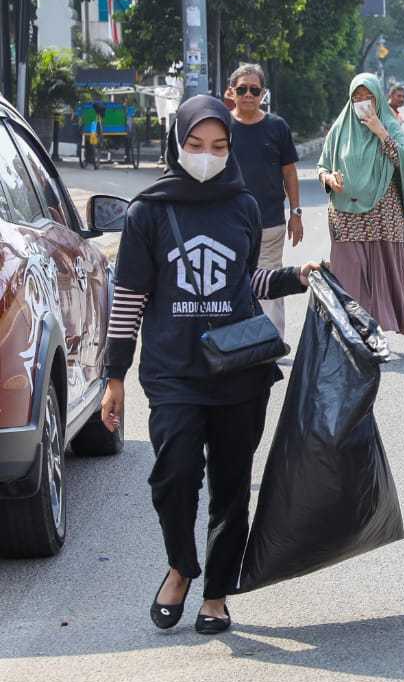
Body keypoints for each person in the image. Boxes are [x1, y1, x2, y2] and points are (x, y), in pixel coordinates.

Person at [99, 96, 321, 635]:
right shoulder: (147, 212)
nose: (207, 155)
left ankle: (217, 592)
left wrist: (296, 276)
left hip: (238, 370)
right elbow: (129, 298)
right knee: (173, 476)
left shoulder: (242, 205)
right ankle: (181, 565)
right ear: (177, 144)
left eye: (219, 146)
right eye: (196, 145)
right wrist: (115, 379)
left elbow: (244, 281)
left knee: (230, 484)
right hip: (173, 370)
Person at [317, 73, 404, 335]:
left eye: (368, 97)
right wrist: (329, 178)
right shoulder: (341, 128)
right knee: (347, 269)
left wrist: (381, 133)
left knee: (380, 272)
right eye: (357, 97)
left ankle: (377, 326)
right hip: (344, 213)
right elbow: (322, 166)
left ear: (377, 99)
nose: (362, 102)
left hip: (382, 214)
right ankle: (350, 326)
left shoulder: (388, 123)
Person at [227, 63, 302, 338]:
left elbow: (289, 172)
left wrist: (296, 213)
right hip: (227, 222)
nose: (248, 94)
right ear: (231, 92)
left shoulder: (276, 126)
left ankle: (270, 341)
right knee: (231, 281)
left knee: (269, 280)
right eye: (242, 89)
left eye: (254, 90)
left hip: (269, 222)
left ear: (263, 93)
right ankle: (233, 341)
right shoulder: (221, 127)